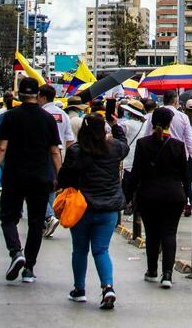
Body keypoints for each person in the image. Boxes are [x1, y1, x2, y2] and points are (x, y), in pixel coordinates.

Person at [0, 76, 62, 284]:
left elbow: (1, 147)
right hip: (41, 177)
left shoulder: (10, 117)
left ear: (19, 95)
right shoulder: (48, 119)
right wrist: (60, 176)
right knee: (36, 223)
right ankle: (29, 268)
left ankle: (15, 252)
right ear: (38, 95)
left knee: (8, 218)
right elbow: (55, 152)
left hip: (14, 176)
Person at [58, 113, 128, 308]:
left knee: (80, 250)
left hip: (82, 208)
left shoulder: (76, 151)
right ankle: (108, 287)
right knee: (101, 250)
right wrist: (116, 126)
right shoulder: (114, 148)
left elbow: (64, 177)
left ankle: (79, 289)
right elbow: (125, 144)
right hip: (108, 208)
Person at [127, 107, 187, 289]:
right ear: (170, 124)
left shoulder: (143, 144)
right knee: (169, 233)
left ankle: (152, 270)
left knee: (152, 233)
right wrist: (188, 196)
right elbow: (185, 175)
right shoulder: (178, 145)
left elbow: (136, 172)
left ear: (152, 123)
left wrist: (128, 195)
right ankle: (167, 273)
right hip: (174, 195)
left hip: (149, 194)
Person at [143, 90, 192, 215]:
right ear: (176, 101)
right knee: (182, 180)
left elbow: (147, 134)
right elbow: (189, 140)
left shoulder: (154, 114)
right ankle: (186, 202)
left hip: (156, 153)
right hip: (178, 154)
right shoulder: (182, 117)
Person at [38, 83, 75, 238]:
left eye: (39, 96)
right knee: (53, 186)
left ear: (44, 97)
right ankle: (48, 217)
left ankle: (48, 216)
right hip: (60, 154)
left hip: (44, 154)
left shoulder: (41, 114)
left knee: (39, 188)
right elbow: (69, 139)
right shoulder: (63, 115)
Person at [117, 99, 146, 210]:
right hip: (139, 158)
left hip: (126, 159)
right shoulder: (144, 125)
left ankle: (127, 204)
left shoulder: (125, 125)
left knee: (126, 184)